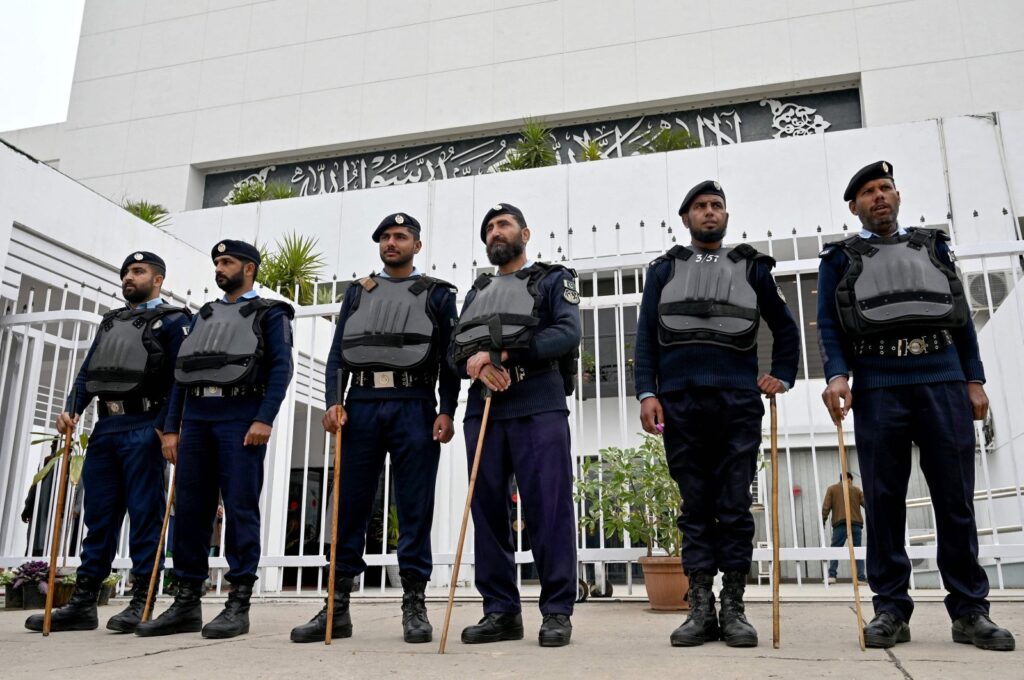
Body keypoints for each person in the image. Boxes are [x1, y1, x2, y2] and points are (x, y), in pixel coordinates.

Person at [817, 160, 1014, 651]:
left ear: (897, 196)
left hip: (943, 380)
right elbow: (829, 326)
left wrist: (974, 380)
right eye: (867, 192)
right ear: (854, 206)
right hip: (879, 387)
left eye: (885, 188)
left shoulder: (933, 246)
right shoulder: (839, 259)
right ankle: (891, 610)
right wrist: (837, 376)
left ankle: (970, 612)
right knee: (883, 503)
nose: (878, 197)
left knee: (955, 501)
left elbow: (962, 318)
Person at [634, 180, 800, 648]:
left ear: (725, 216)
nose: (710, 213)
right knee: (695, 506)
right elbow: (646, 338)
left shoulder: (752, 268)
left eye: (717, 206)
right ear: (685, 218)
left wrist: (780, 376)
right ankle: (700, 608)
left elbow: (786, 331)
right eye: (701, 207)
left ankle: (734, 607)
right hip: (680, 401)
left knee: (733, 504)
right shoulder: (663, 271)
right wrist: (648, 392)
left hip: (737, 403)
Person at [290, 212, 460, 644]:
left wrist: (447, 410)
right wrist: (333, 401)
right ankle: (337, 606)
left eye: (400, 236)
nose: (391, 242)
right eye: (385, 237)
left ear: (417, 245)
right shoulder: (357, 293)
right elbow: (337, 355)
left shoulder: (437, 294)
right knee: (347, 507)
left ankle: (414, 604)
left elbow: (449, 360)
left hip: (415, 404)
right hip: (361, 404)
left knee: (415, 507)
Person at [25, 252, 190, 633]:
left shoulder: (175, 321)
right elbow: (88, 371)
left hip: (145, 425)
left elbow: (178, 378)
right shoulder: (112, 320)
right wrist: (72, 408)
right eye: (126, 272)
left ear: (158, 279)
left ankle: (141, 601)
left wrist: (167, 428)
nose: (129, 277)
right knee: (99, 518)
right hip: (107, 427)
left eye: (138, 271)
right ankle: (83, 604)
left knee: (145, 517)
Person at [136, 240, 294, 639]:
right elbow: (181, 374)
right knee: (190, 511)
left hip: (241, 416)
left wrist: (264, 417)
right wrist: (172, 427)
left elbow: (280, 368)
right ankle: (186, 601)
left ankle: (237, 604)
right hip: (198, 420)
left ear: (250, 268)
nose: (219, 269)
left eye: (227, 262)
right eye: (217, 263)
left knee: (240, 508)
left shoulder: (270, 313)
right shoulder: (203, 314)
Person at [449, 203, 581, 648]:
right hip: (483, 406)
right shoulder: (477, 290)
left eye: (503, 225)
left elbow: (566, 333)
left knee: (548, 506)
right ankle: (500, 611)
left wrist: (501, 356)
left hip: (537, 403)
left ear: (525, 232)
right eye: (488, 228)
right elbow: (453, 351)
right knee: (487, 511)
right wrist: (475, 363)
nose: (495, 232)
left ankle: (557, 610)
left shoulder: (552, 279)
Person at [821, 472, 866, 582]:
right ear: (850, 479)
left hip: (840, 524)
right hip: (856, 524)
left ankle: (832, 575)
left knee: (835, 549)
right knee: (857, 550)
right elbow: (867, 505)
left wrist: (823, 520)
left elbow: (826, 506)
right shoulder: (856, 490)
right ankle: (860, 578)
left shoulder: (832, 489)